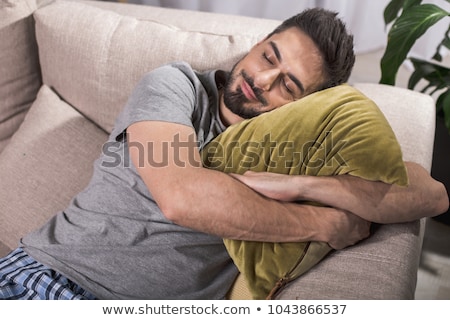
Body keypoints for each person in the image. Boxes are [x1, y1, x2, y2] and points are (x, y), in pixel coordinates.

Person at [0, 8, 448, 300]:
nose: (264, 79)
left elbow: (432, 196)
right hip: (47, 278)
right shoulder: (176, 86)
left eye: (289, 85)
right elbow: (181, 196)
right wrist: (322, 221)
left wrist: (305, 185)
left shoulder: (295, 148)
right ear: (255, 46)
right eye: (268, 56)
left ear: (307, 104)